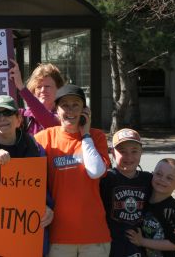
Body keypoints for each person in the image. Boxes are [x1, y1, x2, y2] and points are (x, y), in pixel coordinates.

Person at [0, 95, 54, 257]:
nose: (1, 118)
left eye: (7, 113)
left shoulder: (35, 149)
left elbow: (44, 188)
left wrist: (49, 209)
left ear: (18, 119)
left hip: (26, 237)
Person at [34, 84, 111, 257]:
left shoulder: (96, 136)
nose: (70, 110)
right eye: (64, 105)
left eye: (75, 104)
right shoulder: (43, 138)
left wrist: (85, 135)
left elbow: (96, 172)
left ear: (85, 110)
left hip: (94, 236)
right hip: (58, 235)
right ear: (56, 109)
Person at [100, 128, 175, 257]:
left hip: (137, 245)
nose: (128, 156)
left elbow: (164, 199)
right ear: (112, 153)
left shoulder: (148, 179)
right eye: (122, 151)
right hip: (112, 243)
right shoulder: (106, 179)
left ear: (141, 152)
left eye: (134, 151)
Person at [126, 158, 175, 257]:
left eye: (169, 178)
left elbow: (174, 244)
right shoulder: (142, 196)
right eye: (159, 174)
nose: (162, 179)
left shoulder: (172, 210)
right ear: (152, 174)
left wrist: (142, 241)